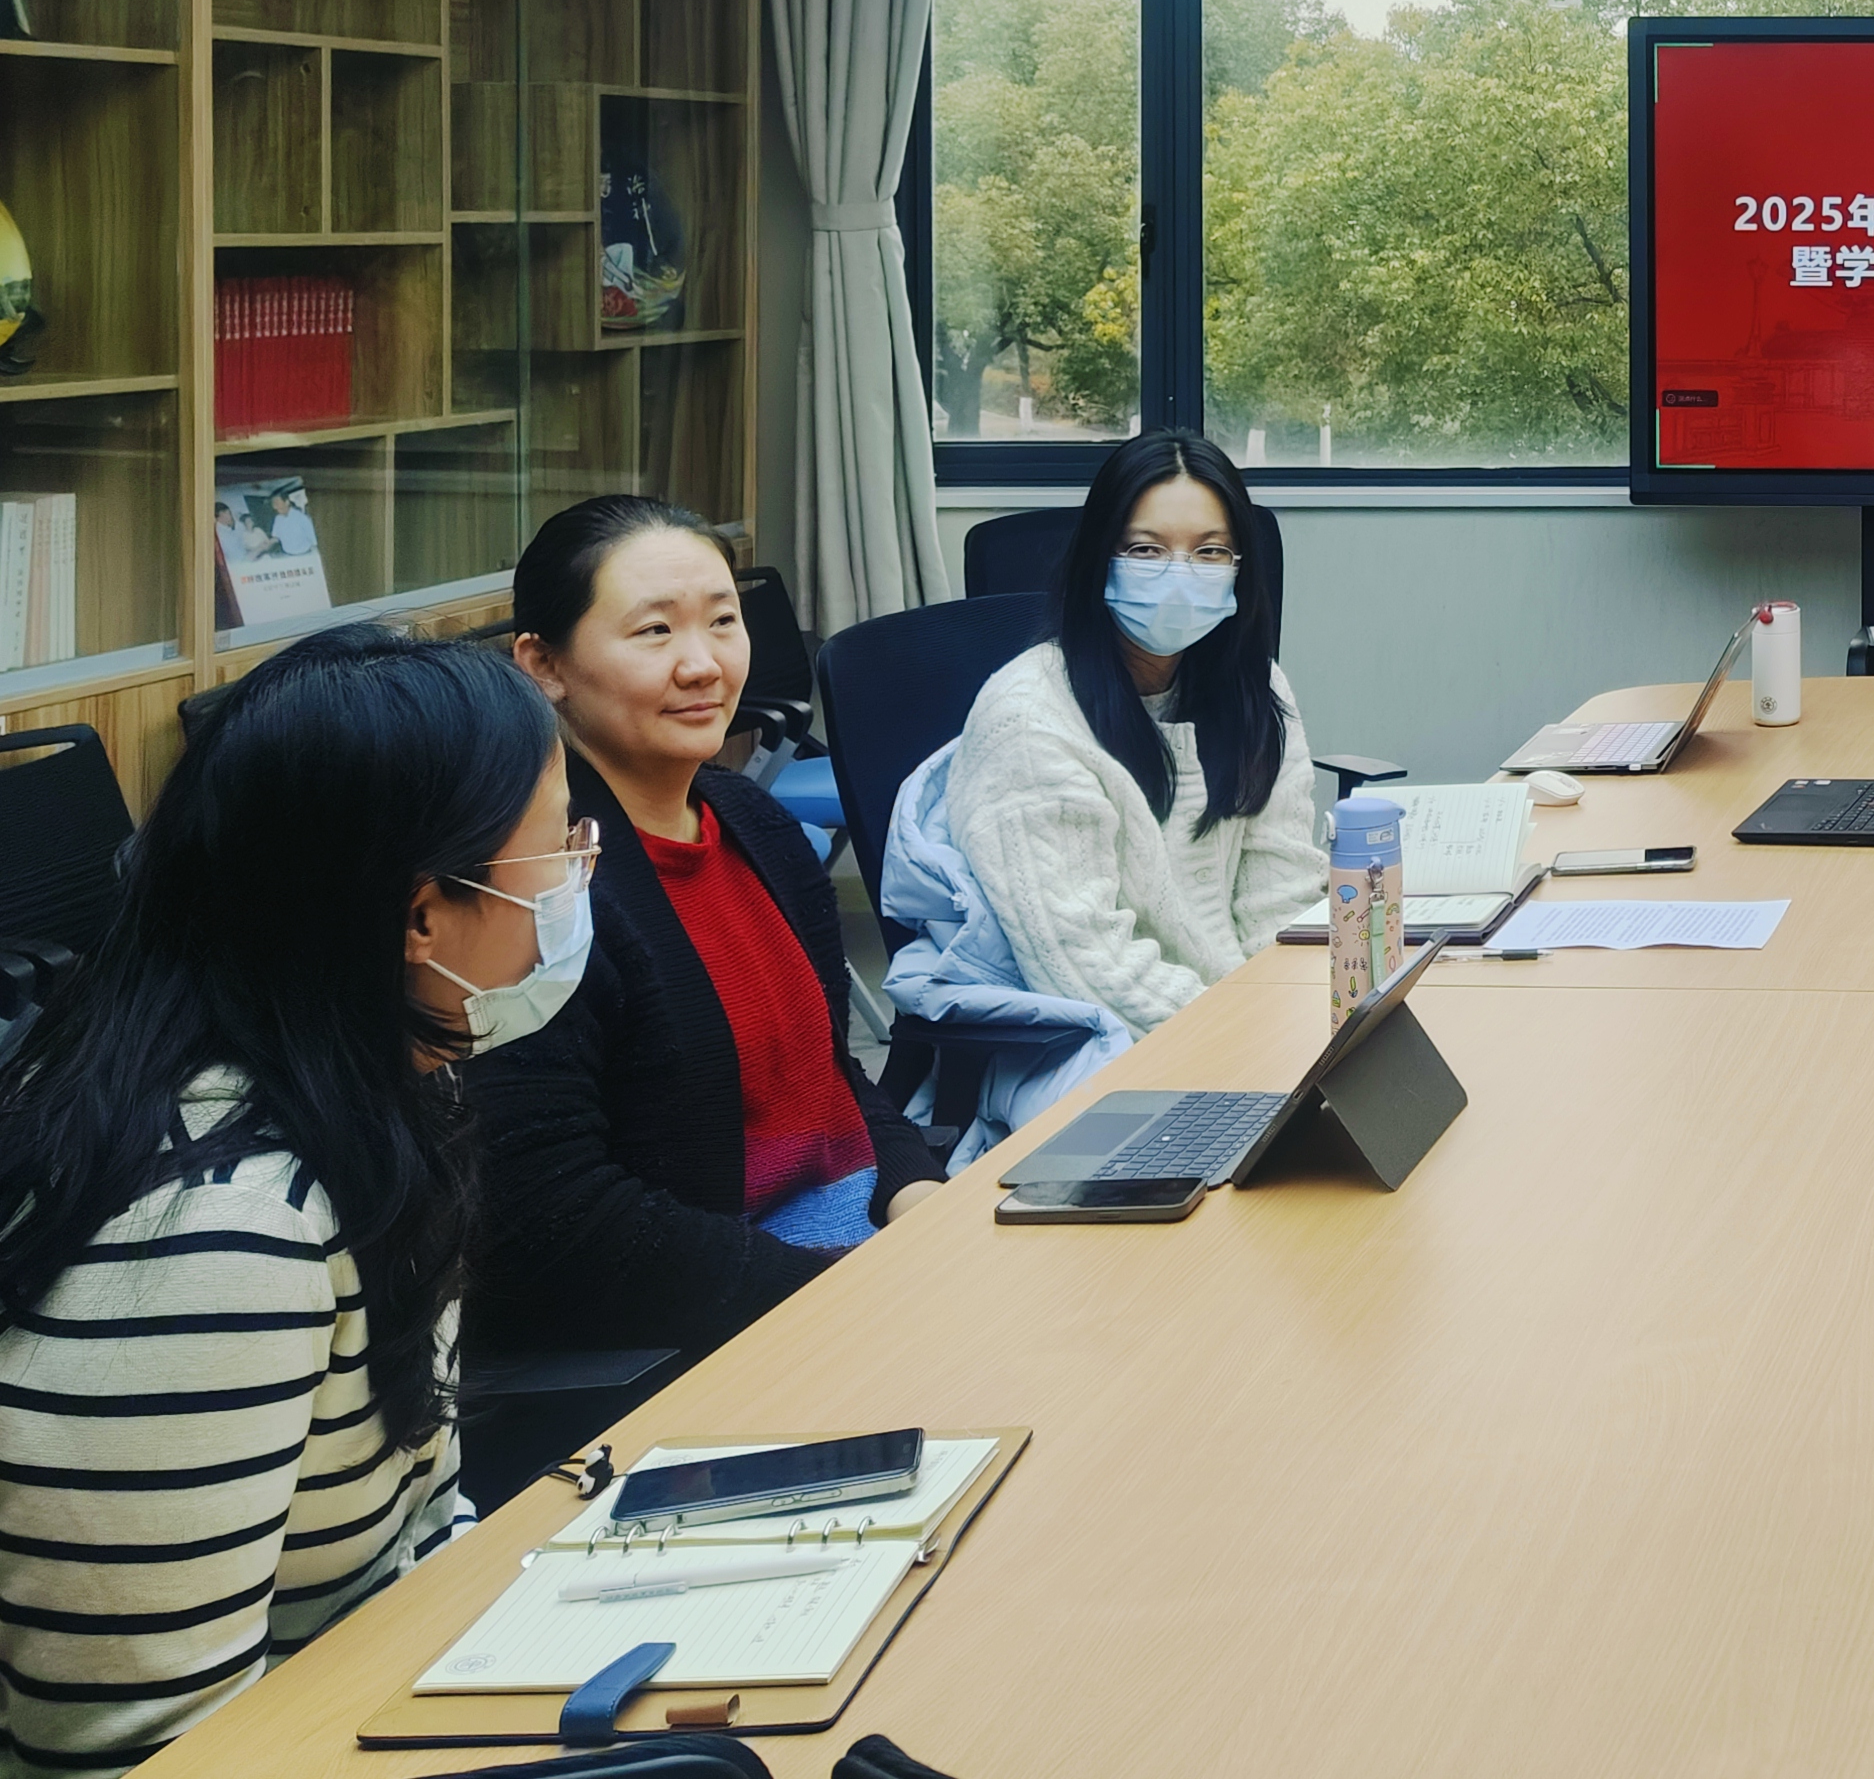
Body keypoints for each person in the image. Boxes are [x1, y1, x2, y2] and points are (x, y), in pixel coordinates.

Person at [0, 628, 570, 1773]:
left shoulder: (384, 1082)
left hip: (385, 1705)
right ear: (421, 917)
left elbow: (420, 1526)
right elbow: (131, 1753)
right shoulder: (218, 1239)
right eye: (562, 848)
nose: (577, 882)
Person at [469, 500, 942, 1459]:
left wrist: (922, 1196)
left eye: (723, 621)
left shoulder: (752, 822)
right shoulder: (538, 885)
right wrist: (841, 1287)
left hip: (847, 1254)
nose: (703, 664)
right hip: (712, 1324)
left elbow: (833, 1074)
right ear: (543, 665)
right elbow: (556, 1215)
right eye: (654, 631)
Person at [946, 430, 1322, 1034]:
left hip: (1248, 1026)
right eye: (1146, 550)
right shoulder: (1029, 718)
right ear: (1099, 559)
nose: (1180, 575)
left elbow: (1283, 902)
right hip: (1107, 1046)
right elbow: (1087, 967)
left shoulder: (1258, 689)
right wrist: (1248, 1038)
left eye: (1210, 551)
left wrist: (1301, 1019)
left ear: (1239, 569)